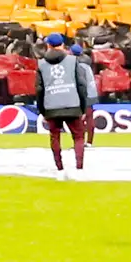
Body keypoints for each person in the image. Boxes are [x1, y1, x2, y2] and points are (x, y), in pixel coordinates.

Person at [34, 33, 94, 174]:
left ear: (48, 45)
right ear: (62, 45)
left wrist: (42, 110)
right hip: (72, 104)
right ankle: (79, 166)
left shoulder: (41, 64)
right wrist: (83, 106)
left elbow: (39, 89)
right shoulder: (73, 61)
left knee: (54, 136)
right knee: (78, 136)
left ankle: (59, 167)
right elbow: (81, 85)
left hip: (51, 106)